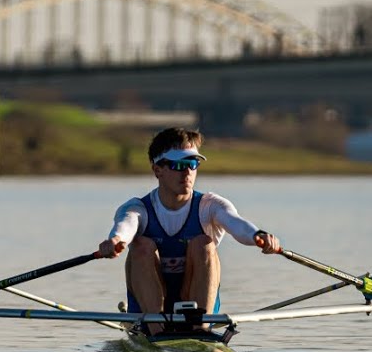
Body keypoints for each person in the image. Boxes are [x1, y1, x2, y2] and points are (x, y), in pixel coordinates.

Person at [97, 127, 281, 331]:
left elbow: (236, 223)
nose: (187, 172)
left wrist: (258, 235)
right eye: (179, 165)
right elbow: (126, 226)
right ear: (157, 170)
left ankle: (200, 328)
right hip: (148, 309)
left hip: (196, 303)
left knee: (204, 245)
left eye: (193, 164)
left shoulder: (210, 206)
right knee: (140, 245)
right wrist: (115, 241)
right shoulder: (137, 208)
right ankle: (155, 329)